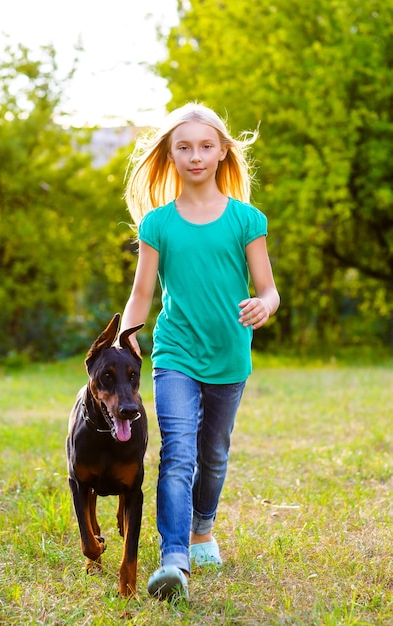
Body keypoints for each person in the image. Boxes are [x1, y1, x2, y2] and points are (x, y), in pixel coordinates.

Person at [117, 102, 280, 601]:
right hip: (176, 355)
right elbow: (142, 294)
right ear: (169, 154)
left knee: (213, 453)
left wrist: (264, 306)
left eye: (206, 146)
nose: (195, 156)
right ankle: (174, 560)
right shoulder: (158, 225)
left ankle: (202, 527)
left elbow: (269, 289)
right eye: (183, 147)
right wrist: (123, 343)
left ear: (222, 152)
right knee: (178, 453)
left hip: (230, 357)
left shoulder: (246, 220)